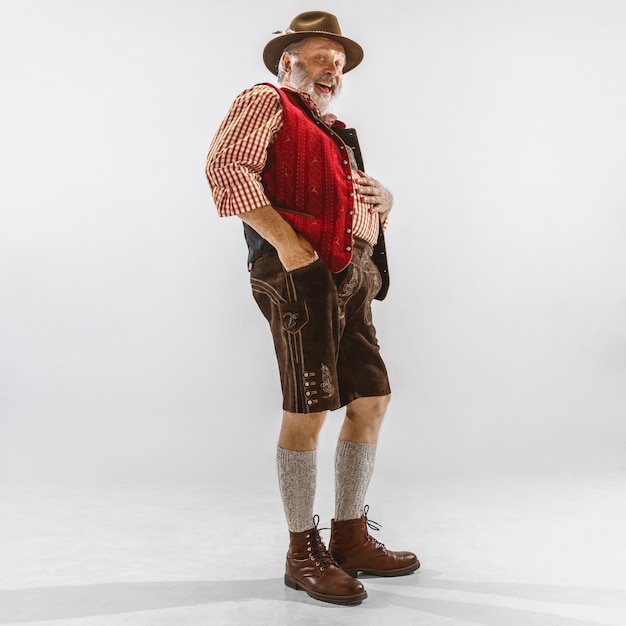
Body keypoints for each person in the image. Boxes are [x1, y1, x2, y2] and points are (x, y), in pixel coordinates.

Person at [206, 10, 419, 605]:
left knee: (370, 400)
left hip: (349, 275)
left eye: (341, 62)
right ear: (288, 60)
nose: (334, 69)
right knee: (311, 405)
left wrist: (384, 201)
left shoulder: (335, 132)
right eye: (323, 55)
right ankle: (303, 549)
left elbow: (343, 199)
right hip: (301, 275)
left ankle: (349, 536)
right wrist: (291, 247)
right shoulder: (265, 100)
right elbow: (226, 169)